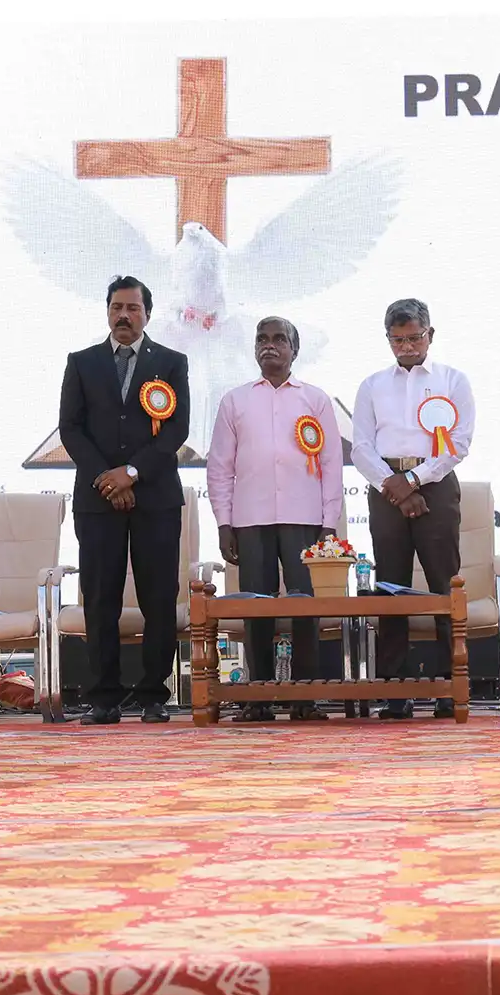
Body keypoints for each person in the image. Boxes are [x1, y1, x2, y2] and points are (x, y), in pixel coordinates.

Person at [58, 275, 190, 725]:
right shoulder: (82, 362)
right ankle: (104, 699)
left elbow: (176, 430)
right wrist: (107, 479)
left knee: (159, 597)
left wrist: (131, 473)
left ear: (147, 314)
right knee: (100, 599)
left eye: (133, 308)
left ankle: (154, 695)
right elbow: (70, 428)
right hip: (97, 501)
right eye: (117, 307)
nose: (124, 316)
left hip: (156, 498)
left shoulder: (171, 362)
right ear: (107, 312)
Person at [208, 317, 343, 723]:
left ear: (294, 350)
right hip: (251, 519)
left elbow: (332, 465)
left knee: (305, 607)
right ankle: (259, 697)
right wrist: (224, 522)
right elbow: (220, 467)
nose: (269, 345)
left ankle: (306, 697)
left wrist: (329, 523)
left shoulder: (315, 400)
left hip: (306, 519)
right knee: (256, 608)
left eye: (279, 339)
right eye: (262, 339)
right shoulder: (234, 401)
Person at [351, 298, 476, 719]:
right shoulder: (372, 385)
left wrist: (415, 480)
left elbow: (458, 443)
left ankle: (450, 686)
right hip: (386, 488)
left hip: (435, 487)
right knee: (390, 587)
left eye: (414, 338)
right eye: (397, 340)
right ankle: (395, 690)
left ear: (430, 335)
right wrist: (397, 486)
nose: (406, 346)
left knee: (444, 586)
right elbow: (361, 447)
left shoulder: (452, 380)